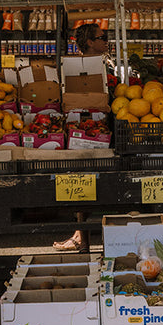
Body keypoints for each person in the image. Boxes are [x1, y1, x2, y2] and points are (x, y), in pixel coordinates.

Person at [52, 23, 108, 252]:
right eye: (102, 37)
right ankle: (81, 237)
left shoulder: (106, 63)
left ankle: (80, 236)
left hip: (100, 127)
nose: (106, 40)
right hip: (82, 129)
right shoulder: (75, 66)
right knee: (82, 182)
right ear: (89, 42)